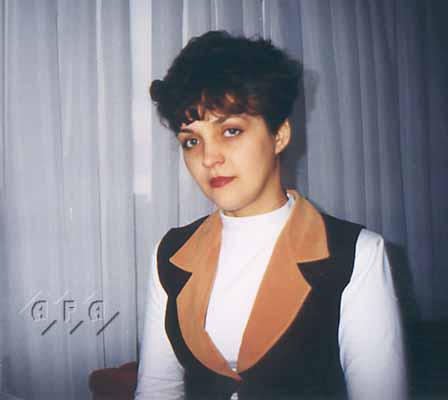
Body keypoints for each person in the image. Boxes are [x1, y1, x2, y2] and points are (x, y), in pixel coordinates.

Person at [135, 31, 406, 400]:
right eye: (191, 141)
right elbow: (157, 390)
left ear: (279, 135)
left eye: (231, 131)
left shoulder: (356, 255)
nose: (208, 158)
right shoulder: (170, 255)